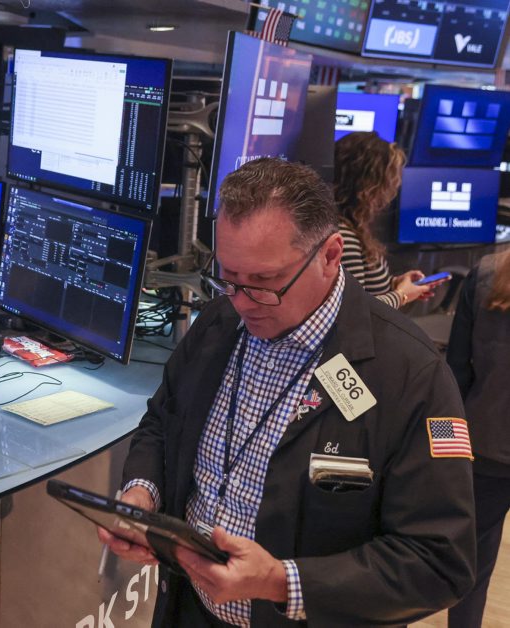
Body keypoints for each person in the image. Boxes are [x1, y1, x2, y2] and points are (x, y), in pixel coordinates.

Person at [99, 158, 474, 626]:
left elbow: (440, 563)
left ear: (331, 255)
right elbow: (161, 420)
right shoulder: (218, 322)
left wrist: (281, 582)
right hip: (188, 609)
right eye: (229, 278)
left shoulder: (412, 374)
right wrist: (142, 492)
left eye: (264, 282)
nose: (242, 302)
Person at [446, 250, 510, 628]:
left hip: (483, 444)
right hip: (485, 447)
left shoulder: (486, 272)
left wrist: (447, 452)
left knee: (474, 562)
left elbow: (454, 374)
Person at [333, 131, 443, 308]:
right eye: (391, 177)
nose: (396, 185)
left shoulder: (352, 225)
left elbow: (366, 290)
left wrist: (395, 283)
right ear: (369, 184)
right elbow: (354, 310)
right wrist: (402, 295)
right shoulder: (344, 237)